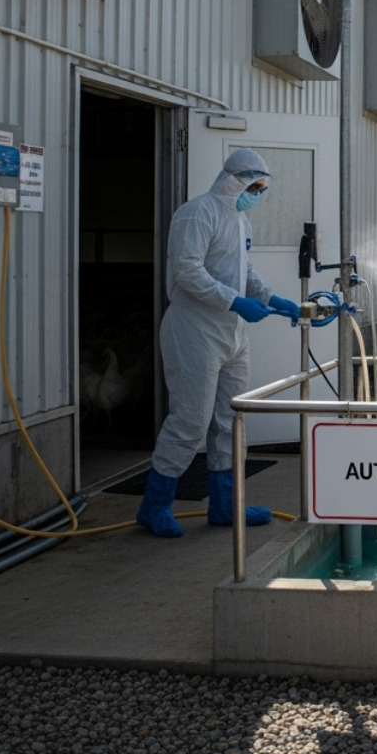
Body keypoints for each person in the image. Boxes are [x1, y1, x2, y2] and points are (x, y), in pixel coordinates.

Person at [136, 148, 301, 537]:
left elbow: (245, 271)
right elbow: (187, 271)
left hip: (231, 334)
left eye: (262, 188)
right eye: (253, 185)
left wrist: (270, 298)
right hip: (194, 330)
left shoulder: (240, 221)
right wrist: (234, 300)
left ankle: (226, 505)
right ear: (233, 179)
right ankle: (154, 505)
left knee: (231, 421)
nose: (257, 193)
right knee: (190, 422)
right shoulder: (198, 213)